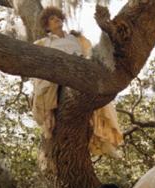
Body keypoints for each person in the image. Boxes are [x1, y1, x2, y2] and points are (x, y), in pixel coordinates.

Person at [32, 6, 123, 157]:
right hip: (60, 76)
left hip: (79, 74)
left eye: (58, 17)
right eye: (52, 19)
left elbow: (88, 54)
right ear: (47, 26)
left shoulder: (75, 38)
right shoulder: (44, 42)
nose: (57, 19)